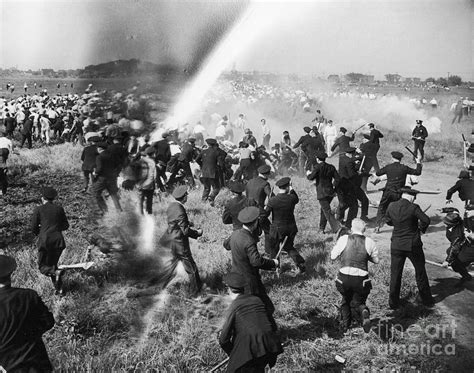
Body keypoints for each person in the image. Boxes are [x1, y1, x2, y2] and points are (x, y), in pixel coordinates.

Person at [218, 272, 283, 373]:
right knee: (258, 368)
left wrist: (233, 354)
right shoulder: (257, 300)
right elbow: (272, 325)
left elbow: (223, 340)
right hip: (270, 347)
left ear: (229, 289)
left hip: (250, 352)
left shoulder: (234, 306)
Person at [0, 255, 55, 372]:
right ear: (11, 273)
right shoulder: (29, 296)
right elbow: (48, 322)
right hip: (38, 364)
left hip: (9, 367)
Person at [385, 187, 435, 309]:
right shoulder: (414, 207)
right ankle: (427, 300)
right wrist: (420, 229)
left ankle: (393, 303)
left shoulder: (391, 206)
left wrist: (397, 224)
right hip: (413, 245)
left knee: (395, 274)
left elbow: (387, 220)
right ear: (412, 197)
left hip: (396, 244)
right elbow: (426, 220)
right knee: (420, 272)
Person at [228, 206, 279, 318]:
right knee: (266, 308)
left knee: (246, 308)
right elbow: (256, 261)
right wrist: (273, 263)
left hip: (236, 276)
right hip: (249, 281)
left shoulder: (235, 234)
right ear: (255, 223)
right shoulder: (249, 240)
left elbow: (226, 245)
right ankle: (268, 331)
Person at [330, 218, 379, 332]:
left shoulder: (344, 239)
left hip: (344, 278)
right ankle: (363, 311)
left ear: (351, 229)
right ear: (365, 229)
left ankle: (345, 325)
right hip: (361, 280)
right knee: (358, 301)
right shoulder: (370, 242)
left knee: (346, 300)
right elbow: (376, 260)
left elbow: (332, 257)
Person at [160, 185, 203, 297]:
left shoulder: (172, 206)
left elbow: (175, 222)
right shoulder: (180, 209)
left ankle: (160, 286)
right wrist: (197, 233)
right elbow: (185, 231)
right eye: (186, 195)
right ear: (184, 197)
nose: (187, 196)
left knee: (170, 268)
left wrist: (188, 223)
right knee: (192, 269)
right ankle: (196, 294)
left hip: (171, 241)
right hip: (179, 243)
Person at [31, 187, 70, 295]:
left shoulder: (38, 209)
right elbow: (66, 225)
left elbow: (33, 228)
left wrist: (41, 230)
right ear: (53, 198)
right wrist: (55, 228)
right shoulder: (59, 209)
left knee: (43, 267)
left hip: (45, 241)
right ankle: (60, 290)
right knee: (53, 265)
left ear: (42, 198)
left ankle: (57, 275)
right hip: (58, 241)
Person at [265, 177, 306, 273]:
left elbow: (265, 214)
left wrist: (265, 207)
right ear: (287, 187)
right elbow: (296, 197)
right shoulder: (292, 198)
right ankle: (300, 264)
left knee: (274, 249)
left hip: (277, 229)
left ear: (279, 188)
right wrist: (291, 187)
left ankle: (274, 268)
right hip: (290, 228)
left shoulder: (273, 200)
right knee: (289, 247)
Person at [374, 151, 422, 232]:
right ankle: (398, 225)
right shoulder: (404, 168)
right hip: (398, 192)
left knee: (382, 207)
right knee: (398, 209)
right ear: (400, 159)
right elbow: (418, 172)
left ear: (392, 158)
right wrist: (418, 162)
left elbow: (378, 173)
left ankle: (378, 227)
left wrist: (384, 168)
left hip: (388, 191)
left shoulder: (389, 167)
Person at [307, 151, 342, 233]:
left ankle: (337, 229)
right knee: (324, 210)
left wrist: (308, 174)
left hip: (321, 193)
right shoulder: (331, 167)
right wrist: (334, 187)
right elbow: (338, 179)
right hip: (330, 192)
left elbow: (311, 178)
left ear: (317, 159)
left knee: (327, 211)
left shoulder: (317, 167)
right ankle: (321, 228)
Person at [442, 212, 474, 287]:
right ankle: (466, 274)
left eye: (446, 223)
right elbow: (454, 210)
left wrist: (447, 260)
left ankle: (466, 275)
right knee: (449, 252)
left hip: (471, 247)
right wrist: (445, 210)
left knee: (456, 263)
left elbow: (455, 247)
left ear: (453, 224)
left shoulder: (457, 233)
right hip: (465, 244)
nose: (444, 224)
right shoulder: (457, 223)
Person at [246, 165, 272, 252]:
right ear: (266, 175)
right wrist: (267, 208)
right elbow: (272, 197)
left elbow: (247, 196)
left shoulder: (250, 182)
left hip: (249, 211)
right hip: (260, 212)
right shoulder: (265, 184)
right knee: (269, 231)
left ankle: (252, 252)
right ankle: (268, 251)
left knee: (252, 232)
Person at [92, 142, 123, 213]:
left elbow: (99, 168)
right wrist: (115, 173)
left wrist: (95, 173)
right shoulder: (112, 155)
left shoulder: (99, 157)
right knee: (113, 194)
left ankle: (104, 209)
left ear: (99, 148)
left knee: (96, 193)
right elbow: (119, 165)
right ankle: (119, 210)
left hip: (102, 178)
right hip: (112, 178)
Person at [196, 138, 221, 206]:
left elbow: (197, 159)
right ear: (214, 145)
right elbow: (220, 163)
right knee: (217, 188)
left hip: (204, 172)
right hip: (213, 172)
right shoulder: (217, 152)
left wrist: (202, 165)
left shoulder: (203, 151)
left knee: (206, 188)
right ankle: (211, 197)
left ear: (207, 144)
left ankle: (203, 202)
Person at [137, 146, 156, 214]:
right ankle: (149, 213)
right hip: (150, 185)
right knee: (149, 200)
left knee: (141, 200)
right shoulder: (153, 162)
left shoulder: (140, 161)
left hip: (141, 184)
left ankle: (141, 214)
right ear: (153, 154)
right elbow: (153, 176)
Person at [0, 131, 13, 196]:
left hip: (0, 151)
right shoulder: (8, 140)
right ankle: (4, 169)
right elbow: (11, 150)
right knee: (3, 163)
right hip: (5, 151)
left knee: (2, 166)